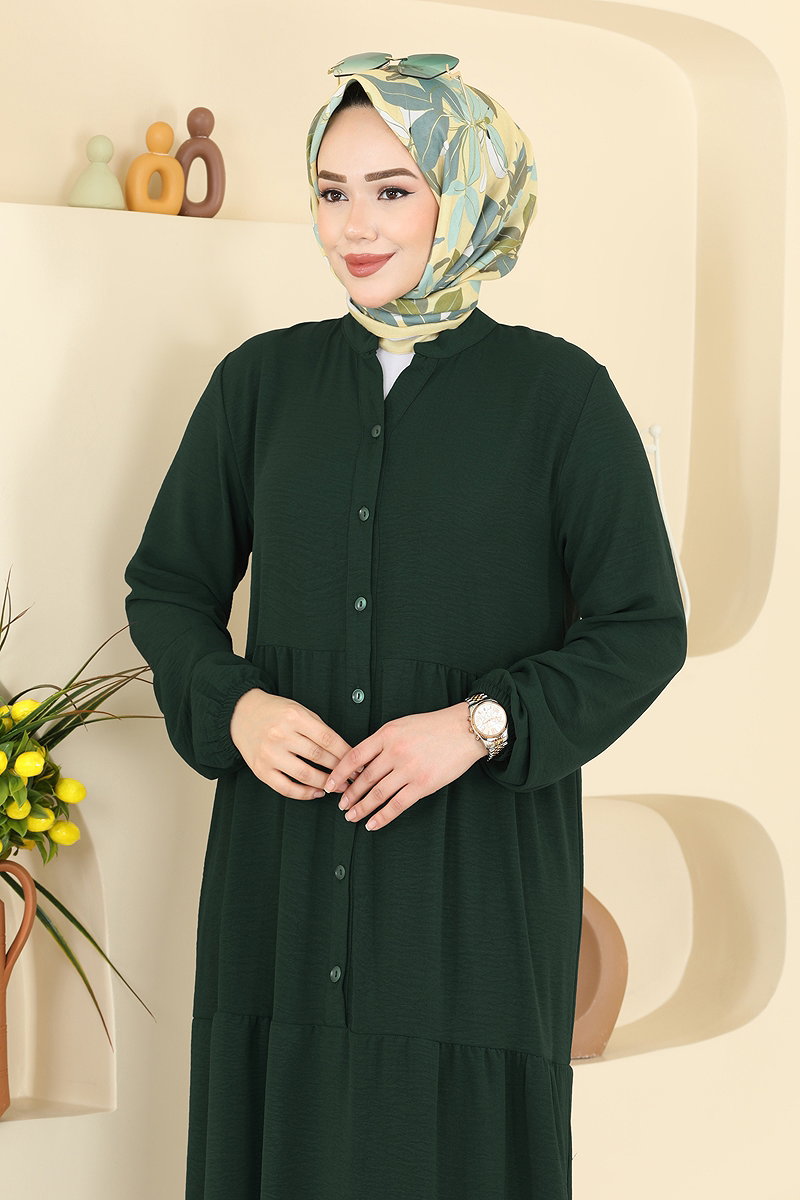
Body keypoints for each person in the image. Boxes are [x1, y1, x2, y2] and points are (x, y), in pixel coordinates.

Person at [123, 52, 688, 1200]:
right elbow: (167, 588)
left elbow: (641, 627)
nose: (354, 226)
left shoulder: (560, 398)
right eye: (332, 191)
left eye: (392, 189)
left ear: (464, 196)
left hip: (468, 883)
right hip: (281, 874)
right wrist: (236, 706)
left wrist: (476, 725)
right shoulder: (258, 385)